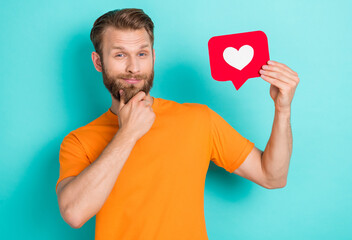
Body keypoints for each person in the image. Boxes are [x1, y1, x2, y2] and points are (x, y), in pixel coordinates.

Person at [55, 8, 299, 240]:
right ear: (98, 62)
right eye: (120, 55)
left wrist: (282, 109)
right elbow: (74, 214)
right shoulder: (78, 142)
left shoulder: (198, 119)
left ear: (153, 56)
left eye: (142, 53)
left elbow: (273, 177)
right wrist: (127, 133)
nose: (134, 67)